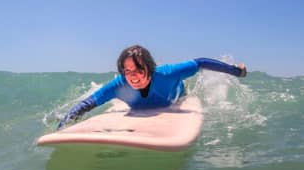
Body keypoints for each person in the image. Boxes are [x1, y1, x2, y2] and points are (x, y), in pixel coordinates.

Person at [58, 45, 247, 129]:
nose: (134, 76)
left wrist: (236, 71)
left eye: (139, 69)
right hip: (141, 106)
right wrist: (63, 126)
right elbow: (88, 103)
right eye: (128, 71)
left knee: (181, 95)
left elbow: (201, 62)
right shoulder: (119, 85)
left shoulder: (168, 73)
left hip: (175, 99)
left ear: (150, 67)